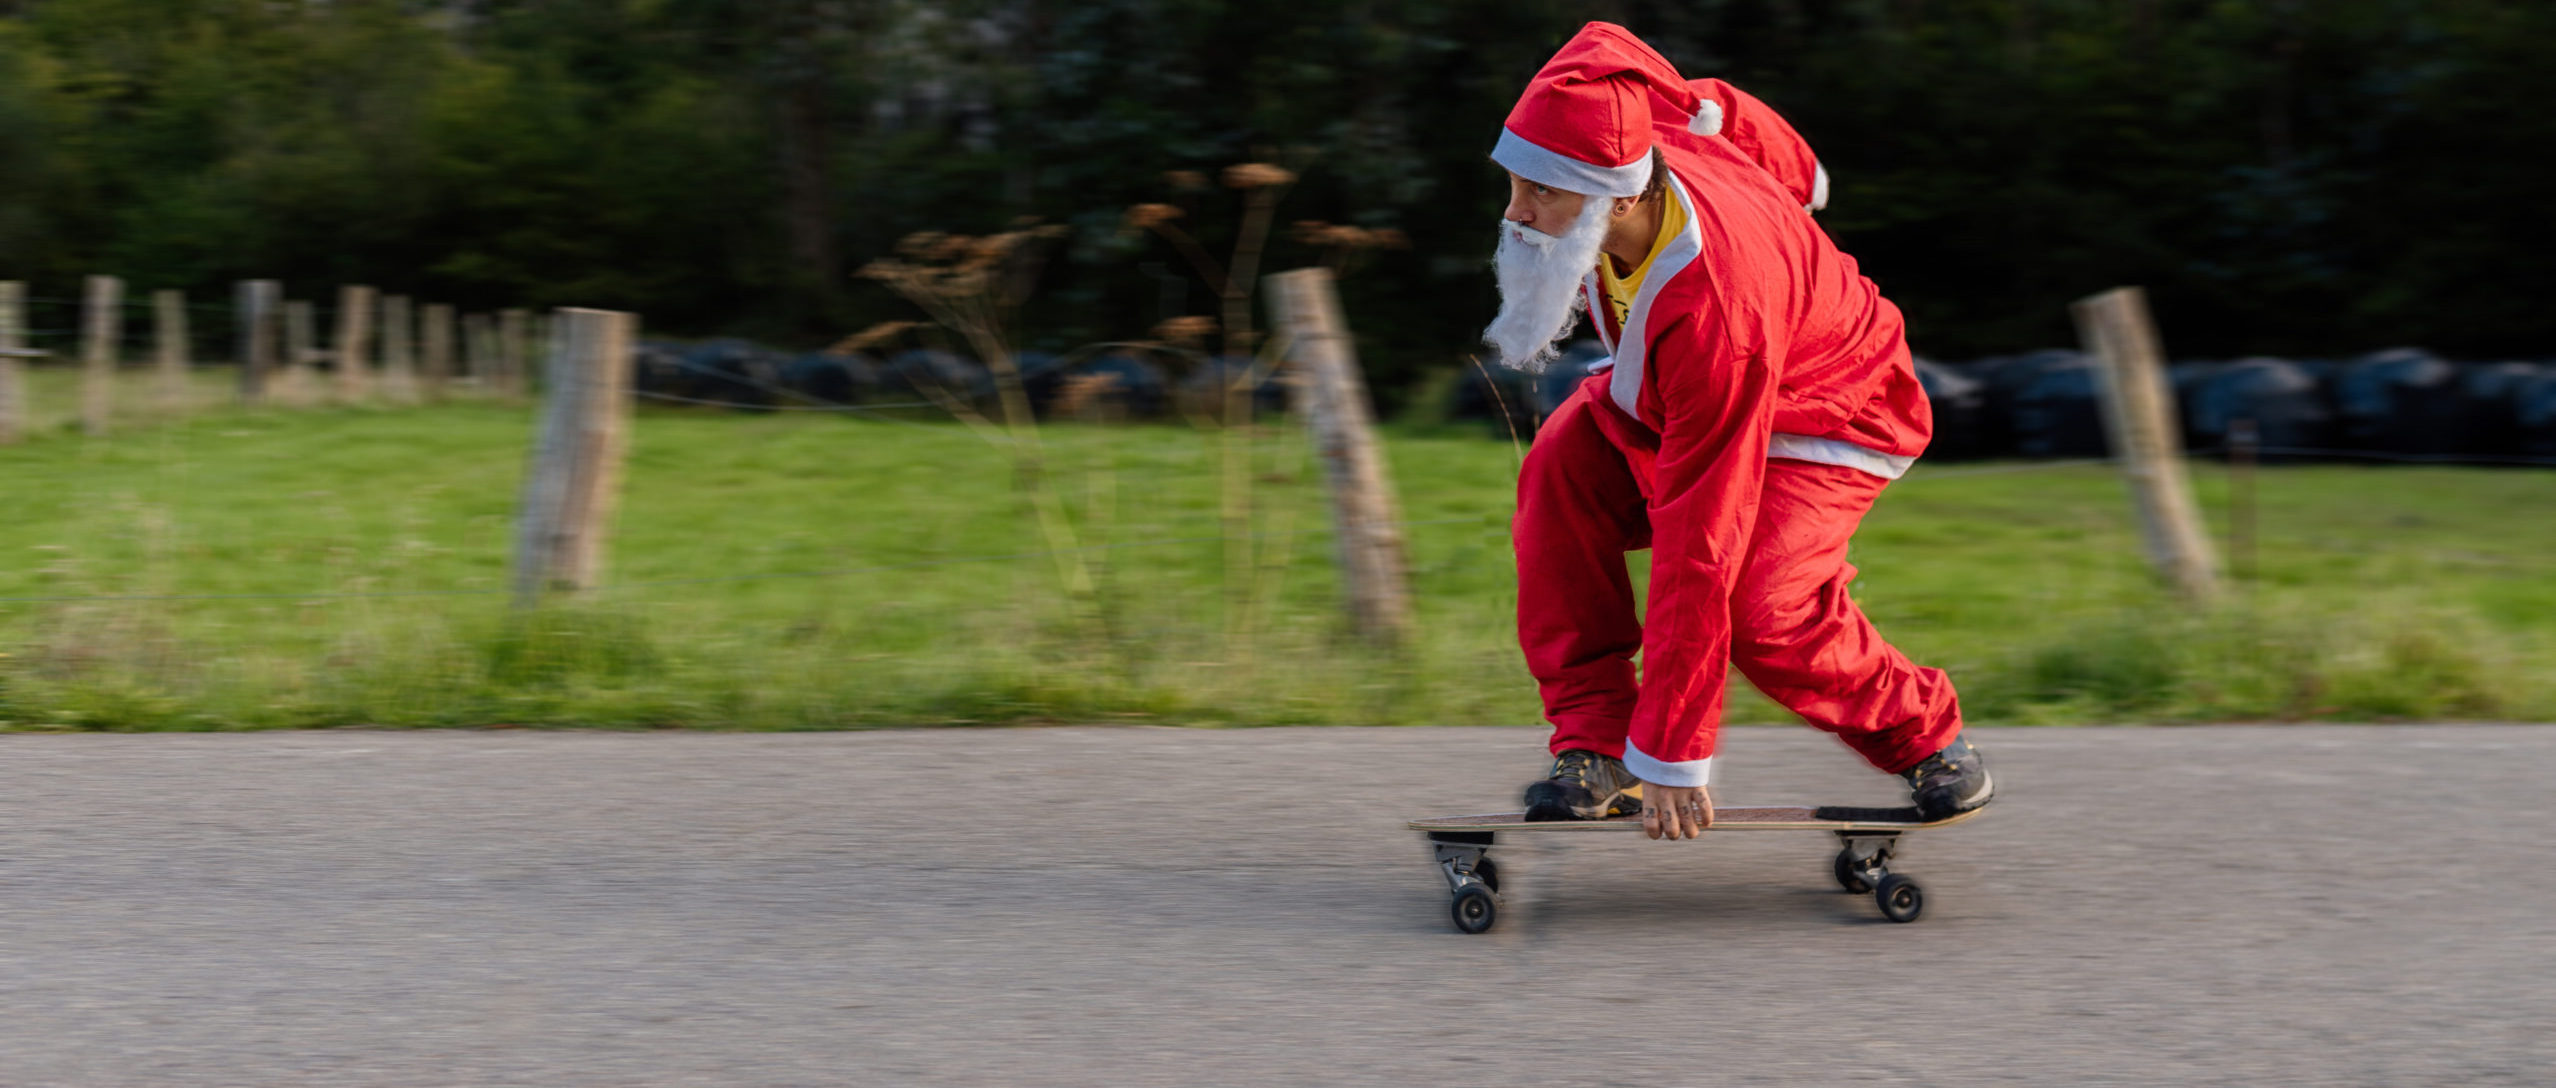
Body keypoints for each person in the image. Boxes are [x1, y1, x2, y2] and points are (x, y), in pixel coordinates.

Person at [1482, 22, 1992, 840]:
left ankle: (1922, 735)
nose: (1518, 213)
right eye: (1514, 182)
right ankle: (1594, 745)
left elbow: (1700, 537)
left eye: (1542, 191)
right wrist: (1804, 181)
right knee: (1559, 474)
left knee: (1763, 609)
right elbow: (1714, 106)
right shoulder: (1660, 136)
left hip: (1834, 403)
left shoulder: (1716, 306)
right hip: (1690, 387)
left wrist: (1674, 752)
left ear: (1617, 194)